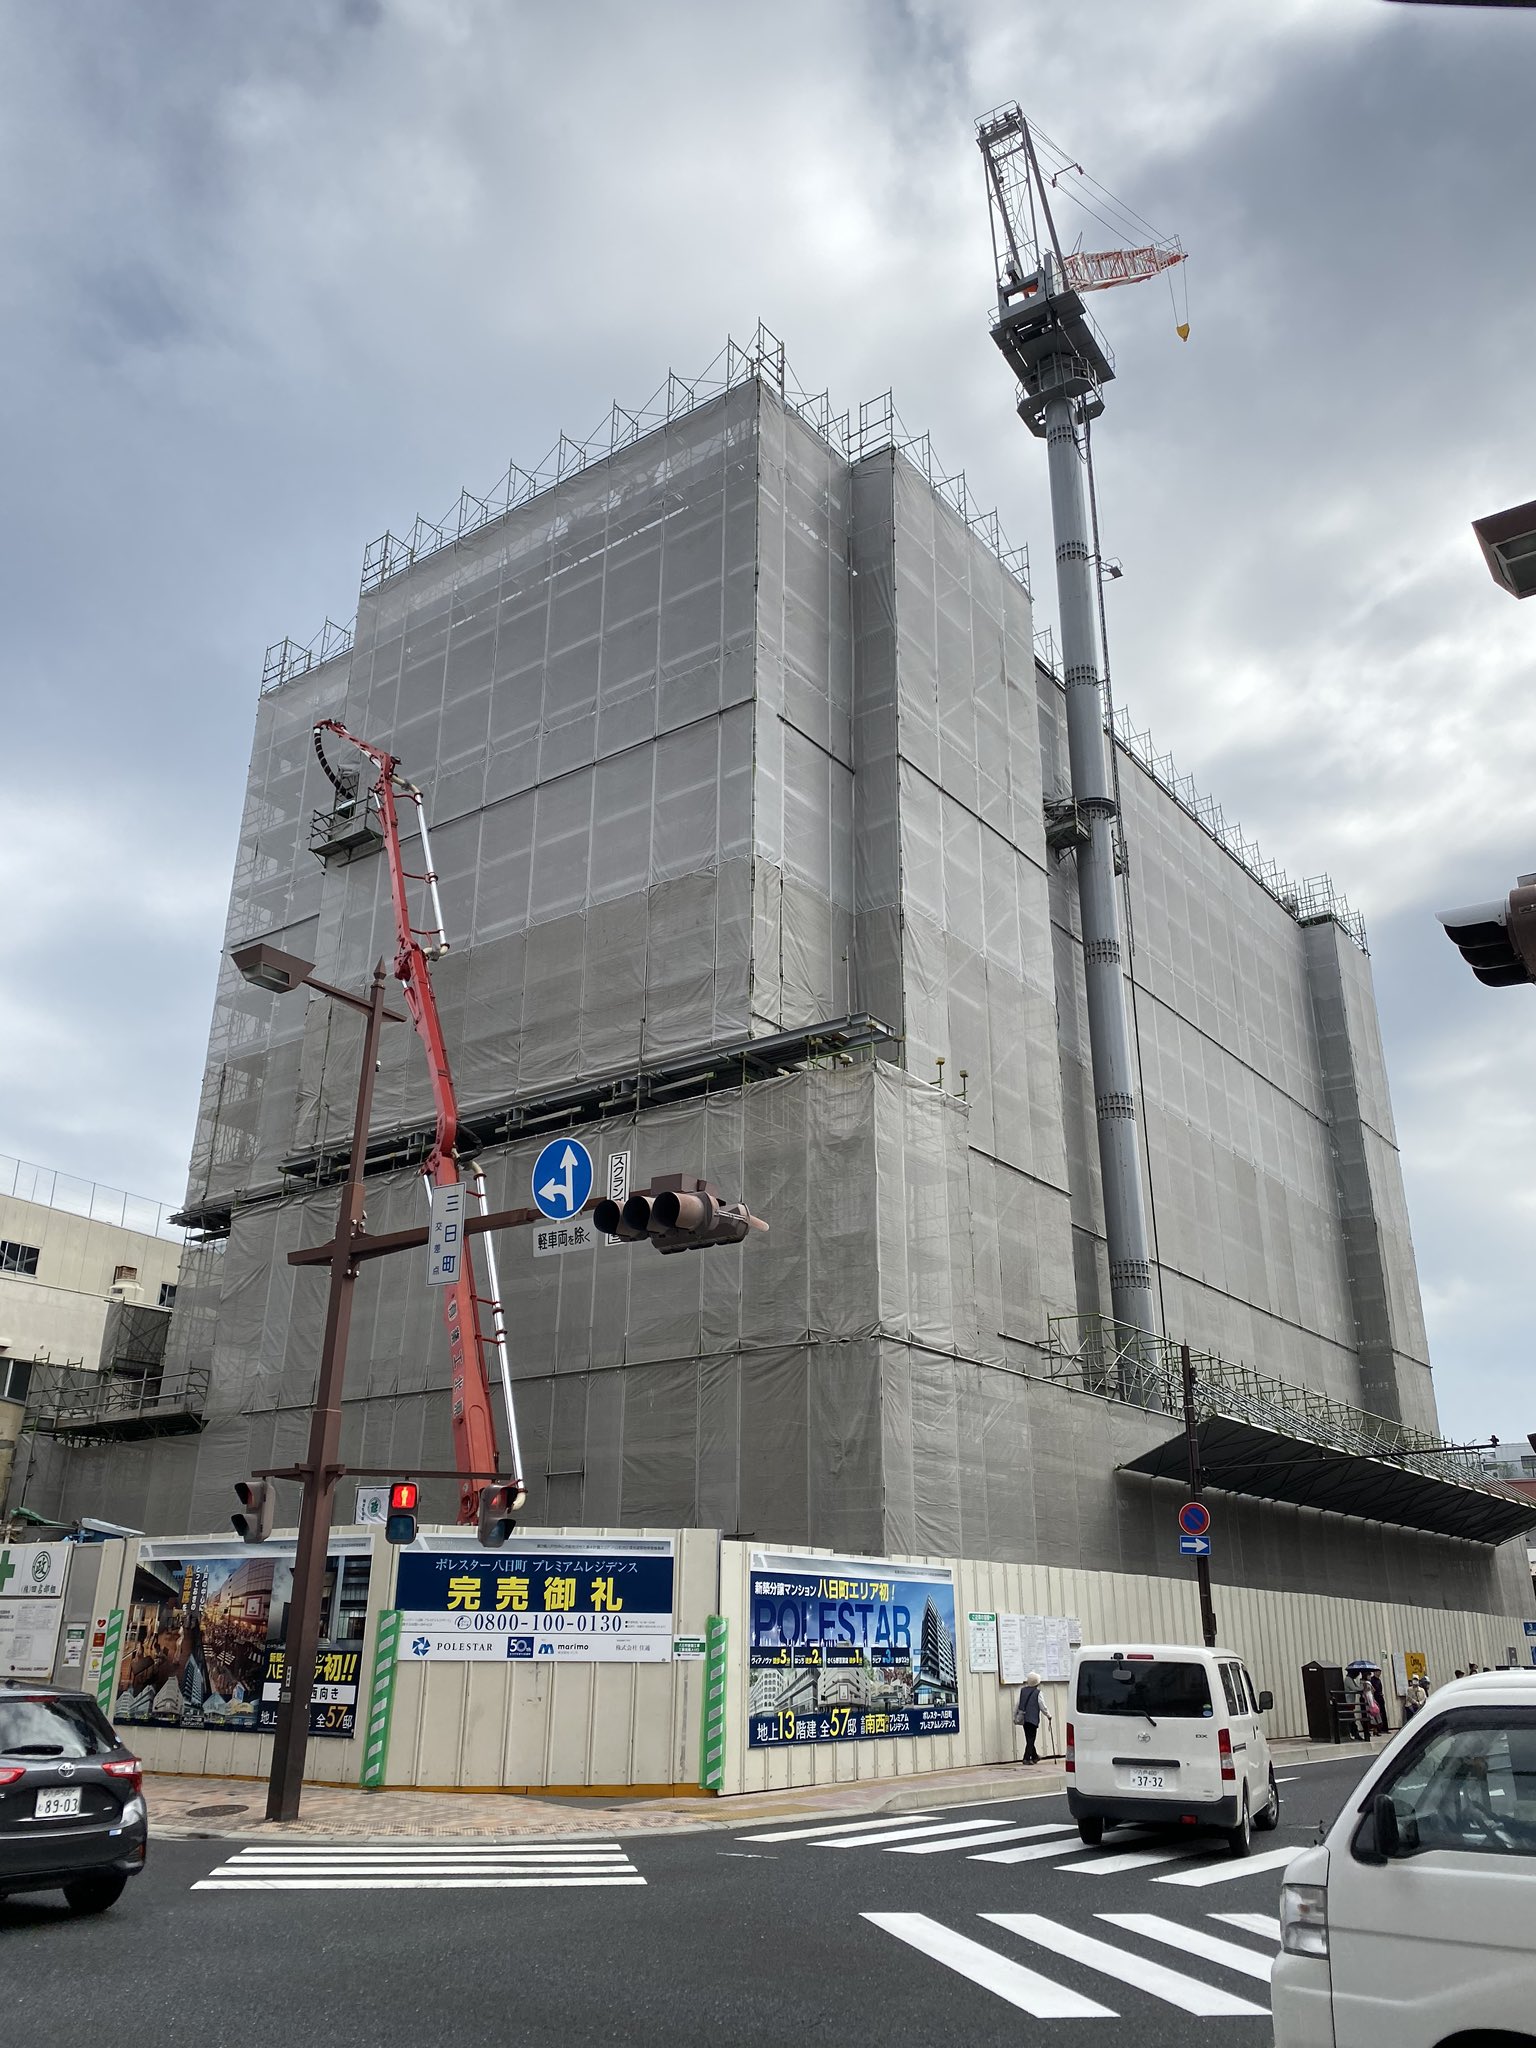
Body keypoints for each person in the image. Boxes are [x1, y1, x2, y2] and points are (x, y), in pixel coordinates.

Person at [1014, 1671, 1043, 1765]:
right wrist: (1048, 1715)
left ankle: (1034, 1756)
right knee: (1031, 1739)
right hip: (1033, 1719)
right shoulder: (1038, 1693)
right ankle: (1026, 1758)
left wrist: (1015, 1715)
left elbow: (1017, 1704)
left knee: (1029, 1738)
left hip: (1024, 1718)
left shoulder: (1023, 1691)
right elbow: (1042, 1705)